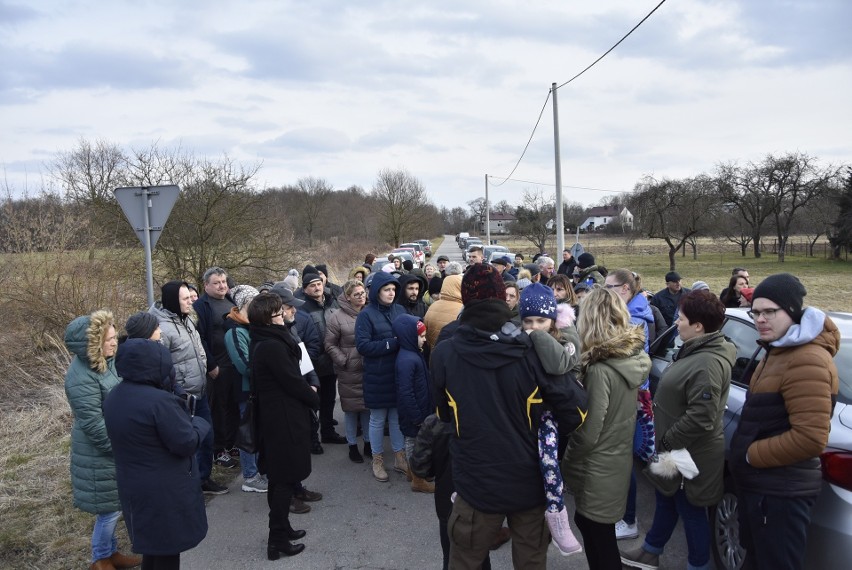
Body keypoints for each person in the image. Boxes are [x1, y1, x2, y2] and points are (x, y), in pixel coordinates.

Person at [431, 264, 588, 569]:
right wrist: (545, 427)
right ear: (503, 298)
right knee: (530, 561)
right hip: (529, 482)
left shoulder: (445, 353)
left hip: (476, 484)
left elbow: (443, 415)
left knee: (464, 561)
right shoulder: (533, 347)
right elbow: (577, 412)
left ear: (465, 300)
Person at [730, 273, 839, 570]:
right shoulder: (777, 350)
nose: (761, 319)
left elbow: (809, 438)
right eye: (756, 312)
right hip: (763, 488)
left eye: (770, 312)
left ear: (791, 311)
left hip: (780, 494)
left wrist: (750, 455)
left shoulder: (808, 359)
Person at [621, 290, 735, 570]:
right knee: (666, 497)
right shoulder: (694, 349)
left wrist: (669, 439)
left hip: (689, 454)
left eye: (681, 318)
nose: (677, 322)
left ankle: (699, 565)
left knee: (691, 510)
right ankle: (650, 552)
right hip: (675, 450)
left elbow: (702, 416)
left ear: (698, 326)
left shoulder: (707, 362)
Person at [104, 331, 211, 570]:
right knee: (167, 553)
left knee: (153, 549)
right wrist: (200, 422)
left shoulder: (114, 397)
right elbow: (186, 442)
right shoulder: (159, 402)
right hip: (163, 490)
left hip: (134, 485)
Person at [562, 287, 651, 570]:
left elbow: (589, 432)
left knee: (596, 533)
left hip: (597, 466)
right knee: (596, 530)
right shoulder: (629, 358)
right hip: (616, 459)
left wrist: (567, 462)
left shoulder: (600, 370)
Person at [64, 310, 142, 570]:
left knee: (114, 504)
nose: (114, 342)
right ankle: (100, 559)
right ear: (92, 344)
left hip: (114, 444)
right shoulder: (80, 377)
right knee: (108, 510)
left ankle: (110, 553)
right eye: (108, 339)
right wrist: (120, 448)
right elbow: (94, 425)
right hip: (99, 450)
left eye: (113, 337)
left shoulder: (105, 362)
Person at [249, 293, 319, 560]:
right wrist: (313, 396)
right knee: (282, 480)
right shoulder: (271, 346)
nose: (286, 314)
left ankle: (283, 529)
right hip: (281, 421)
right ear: (269, 319)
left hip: (282, 417)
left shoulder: (270, 340)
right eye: (280, 313)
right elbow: (292, 381)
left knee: (284, 478)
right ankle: (276, 540)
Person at [518, 283, 584, 556]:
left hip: (550, 414)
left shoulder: (566, 338)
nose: (534, 327)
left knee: (548, 460)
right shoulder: (517, 335)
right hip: (522, 411)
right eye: (528, 321)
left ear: (554, 319)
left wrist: (535, 336)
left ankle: (557, 514)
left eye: (541, 321)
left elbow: (558, 364)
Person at [151, 281, 224, 495]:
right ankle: (189, 484)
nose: (190, 302)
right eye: (185, 299)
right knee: (187, 443)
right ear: (174, 301)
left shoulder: (188, 320)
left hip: (199, 390)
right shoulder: (162, 328)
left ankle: (203, 479)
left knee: (206, 436)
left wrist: (208, 366)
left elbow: (198, 347)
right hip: (182, 396)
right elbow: (159, 365)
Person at [604, 269, 656, 540]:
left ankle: (629, 519)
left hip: (629, 397)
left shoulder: (632, 319)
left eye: (609, 287)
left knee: (624, 460)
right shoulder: (628, 312)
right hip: (629, 394)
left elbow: (624, 362)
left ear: (625, 289)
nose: (605, 291)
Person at [355, 271, 409, 482]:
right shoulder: (366, 315)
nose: (391, 293)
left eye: (394, 289)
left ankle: (399, 456)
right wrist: (391, 343)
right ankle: (377, 459)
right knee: (377, 419)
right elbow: (363, 346)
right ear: (377, 291)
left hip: (398, 372)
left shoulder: (400, 310)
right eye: (387, 290)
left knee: (396, 418)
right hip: (377, 375)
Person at [193, 267, 240, 470]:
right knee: (218, 409)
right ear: (206, 286)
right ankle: (218, 450)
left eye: (223, 281)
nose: (222, 285)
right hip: (217, 366)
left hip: (234, 365)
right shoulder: (201, 306)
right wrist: (211, 365)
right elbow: (199, 338)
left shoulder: (232, 301)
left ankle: (231, 444)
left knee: (233, 406)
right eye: (216, 282)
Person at [223, 284, 267, 493]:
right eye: (254, 302)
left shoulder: (252, 326)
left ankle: (260, 470)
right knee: (249, 433)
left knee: (259, 431)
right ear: (244, 304)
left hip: (258, 389)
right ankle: (250, 476)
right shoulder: (234, 331)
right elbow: (243, 364)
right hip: (246, 391)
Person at [325, 279, 371, 463]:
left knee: (368, 409)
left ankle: (368, 443)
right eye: (356, 294)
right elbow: (329, 344)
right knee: (351, 411)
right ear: (348, 297)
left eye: (363, 293)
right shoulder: (336, 316)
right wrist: (343, 361)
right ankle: (352, 446)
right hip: (349, 372)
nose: (361, 297)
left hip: (369, 370)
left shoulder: (369, 312)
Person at [298, 271, 346, 445]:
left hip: (330, 361)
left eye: (319, 284)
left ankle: (327, 432)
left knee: (329, 399)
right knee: (312, 402)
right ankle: (312, 438)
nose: (317, 287)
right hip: (312, 363)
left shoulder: (332, 303)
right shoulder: (302, 309)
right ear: (305, 290)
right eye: (312, 285)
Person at [392, 314, 435, 493]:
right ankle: (418, 479)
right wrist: (417, 416)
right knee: (414, 443)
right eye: (422, 336)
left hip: (419, 409)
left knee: (416, 441)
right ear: (410, 336)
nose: (425, 340)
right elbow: (406, 392)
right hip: (413, 413)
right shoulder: (407, 360)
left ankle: (413, 472)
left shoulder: (413, 354)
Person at [422, 273, 463, 349]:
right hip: (454, 355)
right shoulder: (462, 309)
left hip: (434, 353)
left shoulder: (432, 306)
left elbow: (425, 333)